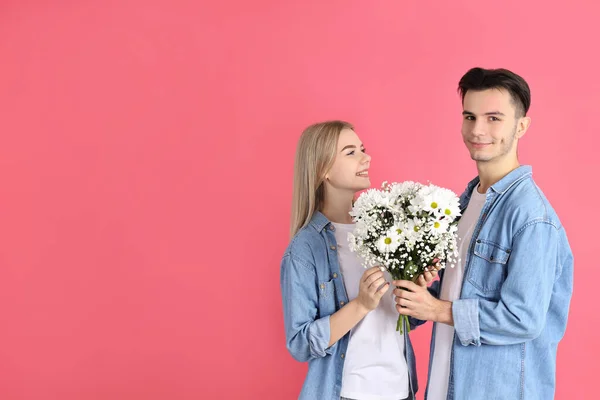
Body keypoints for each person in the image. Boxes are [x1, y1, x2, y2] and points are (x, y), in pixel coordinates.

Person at [394, 67, 574, 400]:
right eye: (470, 116)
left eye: (494, 118)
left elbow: (522, 319)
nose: (478, 130)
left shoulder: (532, 217)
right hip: (446, 384)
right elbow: (460, 288)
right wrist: (422, 291)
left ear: (522, 126)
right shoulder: (464, 202)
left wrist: (436, 310)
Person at [280, 120, 437, 400]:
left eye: (362, 149)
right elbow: (301, 343)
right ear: (323, 169)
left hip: (402, 389)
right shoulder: (305, 248)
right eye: (350, 152)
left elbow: (400, 321)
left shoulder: (388, 229)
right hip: (348, 393)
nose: (367, 157)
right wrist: (361, 305)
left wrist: (414, 290)